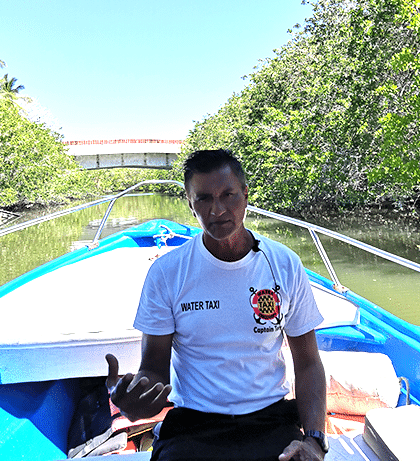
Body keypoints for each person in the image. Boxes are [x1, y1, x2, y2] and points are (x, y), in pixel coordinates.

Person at [106, 149, 328, 461]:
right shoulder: (168, 273)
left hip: (271, 419)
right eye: (204, 198)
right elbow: (155, 370)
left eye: (228, 195)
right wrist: (137, 400)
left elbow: (308, 364)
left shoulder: (283, 264)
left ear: (246, 195)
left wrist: (315, 441)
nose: (218, 209)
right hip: (194, 424)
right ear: (189, 202)